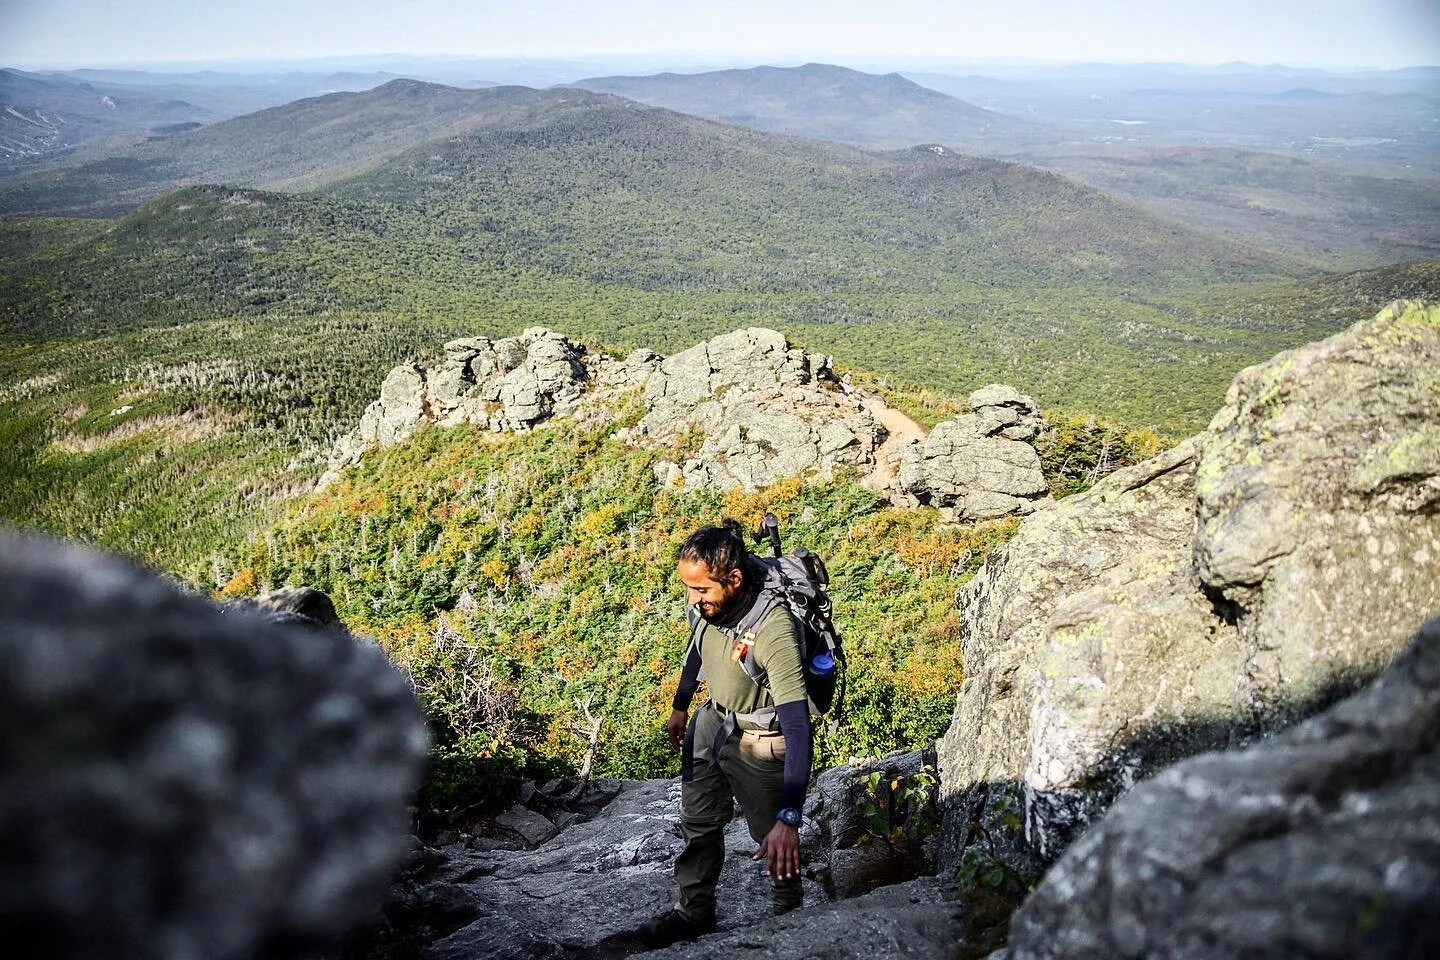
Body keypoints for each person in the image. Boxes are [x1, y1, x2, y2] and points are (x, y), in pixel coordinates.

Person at [637, 519, 813, 947]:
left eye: (701, 591)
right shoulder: (707, 602)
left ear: (733, 579)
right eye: (689, 589)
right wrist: (681, 706)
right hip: (711, 724)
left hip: (762, 737)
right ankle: (694, 911)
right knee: (698, 824)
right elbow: (698, 648)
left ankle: (788, 922)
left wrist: (790, 817)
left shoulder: (774, 629)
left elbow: (797, 724)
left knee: (775, 840)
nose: (693, 600)